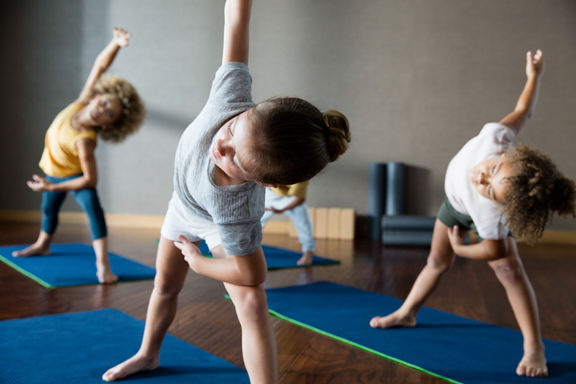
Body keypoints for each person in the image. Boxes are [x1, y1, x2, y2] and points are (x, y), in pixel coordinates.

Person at [102, 1, 350, 383]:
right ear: (248, 108)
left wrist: (198, 262)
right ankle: (148, 354)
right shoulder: (230, 97)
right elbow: (236, 18)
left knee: (252, 302)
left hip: (215, 221)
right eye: (233, 131)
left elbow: (252, 272)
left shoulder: (237, 206)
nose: (221, 145)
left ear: (265, 184)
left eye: (235, 159)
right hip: (183, 206)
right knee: (164, 285)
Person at [369, 50, 575, 378]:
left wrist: (462, 248)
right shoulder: (498, 137)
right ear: (508, 154)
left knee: (509, 270)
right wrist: (534, 75)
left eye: (491, 188)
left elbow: (491, 249)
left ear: (504, 204)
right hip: (454, 204)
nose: (482, 178)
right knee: (436, 262)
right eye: (492, 169)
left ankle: (534, 345)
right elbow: (524, 109)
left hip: (472, 215)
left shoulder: (492, 214)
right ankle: (407, 312)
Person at [13, 28, 145, 284]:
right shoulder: (81, 102)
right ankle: (42, 244)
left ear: (108, 126)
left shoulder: (85, 141)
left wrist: (54, 185)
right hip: (53, 171)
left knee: (93, 210)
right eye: (104, 103)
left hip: (72, 177)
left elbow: (89, 180)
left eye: (109, 115)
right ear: (96, 96)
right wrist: (116, 44)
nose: (102, 111)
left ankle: (103, 265)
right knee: (49, 210)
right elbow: (99, 66)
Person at [261, 182, 316, 265]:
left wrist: (281, 210)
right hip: (269, 194)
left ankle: (308, 254)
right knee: (255, 223)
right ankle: (246, 252)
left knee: (304, 224)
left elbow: (299, 199)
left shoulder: (301, 176)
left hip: (290, 198)